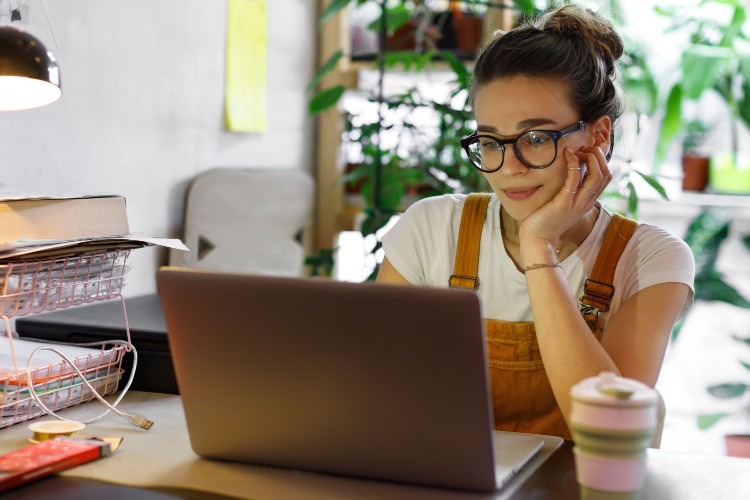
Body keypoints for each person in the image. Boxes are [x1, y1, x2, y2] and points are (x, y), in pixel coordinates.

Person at [376, 4, 695, 440]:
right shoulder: (432, 228)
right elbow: (377, 393)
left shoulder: (650, 259)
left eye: (536, 138)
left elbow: (612, 430)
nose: (508, 167)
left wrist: (539, 247)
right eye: (490, 141)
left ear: (597, 136)